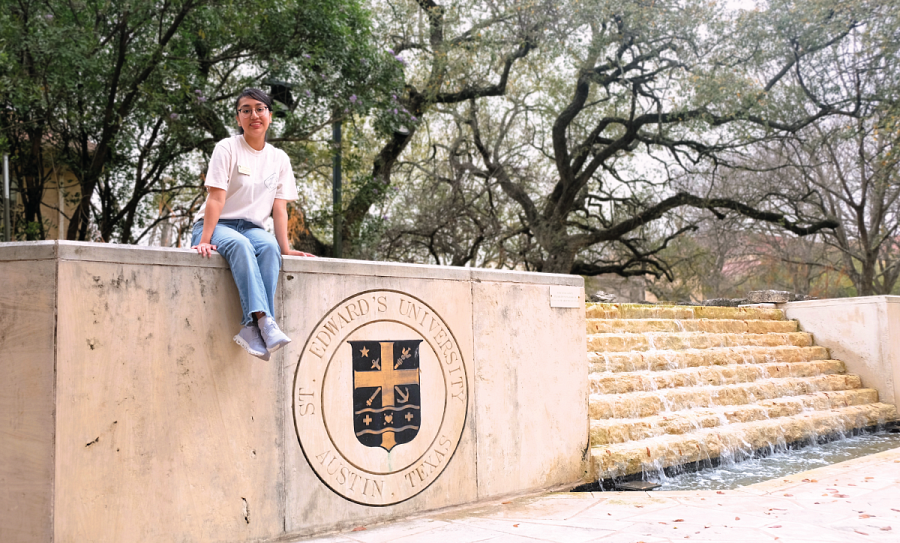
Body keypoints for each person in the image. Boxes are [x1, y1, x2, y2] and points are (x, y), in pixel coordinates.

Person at [191, 88, 314, 361]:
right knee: (240, 244)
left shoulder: (279, 159)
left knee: (269, 248)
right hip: (216, 225)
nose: (253, 115)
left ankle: (251, 329)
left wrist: (287, 248)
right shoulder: (227, 148)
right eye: (245, 110)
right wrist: (203, 240)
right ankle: (263, 319)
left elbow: (279, 208)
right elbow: (215, 198)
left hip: (253, 229)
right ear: (238, 119)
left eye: (260, 109)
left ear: (269, 115)